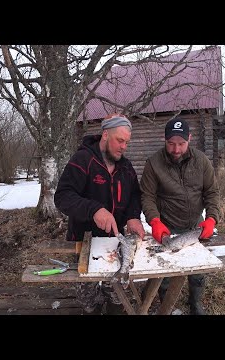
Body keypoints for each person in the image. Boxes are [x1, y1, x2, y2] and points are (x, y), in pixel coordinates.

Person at [54, 113, 145, 315]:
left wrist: (132, 216)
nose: (123, 147)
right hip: (84, 240)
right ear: (105, 134)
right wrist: (94, 209)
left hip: (115, 241)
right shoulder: (83, 159)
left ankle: (113, 308)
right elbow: (62, 197)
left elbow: (135, 196)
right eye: (120, 140)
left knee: (117, 291)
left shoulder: (126, 167)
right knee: (87, 295)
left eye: (126, 142)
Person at [140, 117, 220, 315]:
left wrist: (212, 218)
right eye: (171, 144)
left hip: (196, 226)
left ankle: (195, 303)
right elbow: (147, 197)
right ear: (164, 140)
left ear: (189, 139)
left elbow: (212, 193)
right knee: (166, 271)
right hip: (167, 227)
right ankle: (168, 305)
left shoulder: (201, 161)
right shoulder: (154, 163)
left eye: (181, 144)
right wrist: (154, 221)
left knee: (198, 268)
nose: (176, 149)